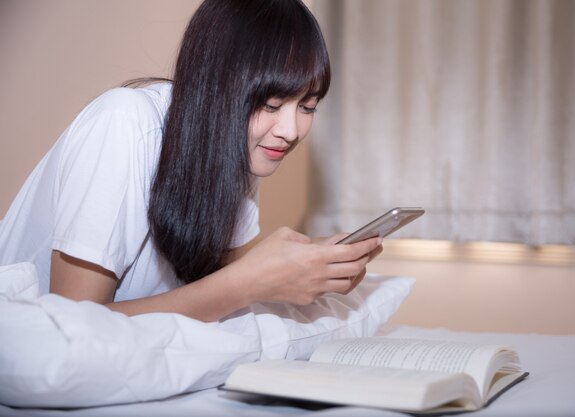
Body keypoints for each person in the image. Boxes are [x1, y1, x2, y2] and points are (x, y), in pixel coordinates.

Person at [0, 0, 382, 322]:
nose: (291, 129)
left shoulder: (240, 148)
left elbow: (217, 279)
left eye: (308, 106)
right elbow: (69, 324)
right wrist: (249, 283)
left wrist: (312, 265)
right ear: (216, 87)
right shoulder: (125, 123)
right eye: (271, 104)